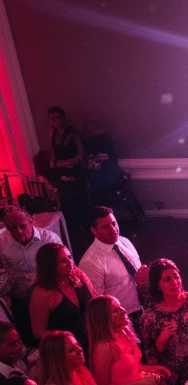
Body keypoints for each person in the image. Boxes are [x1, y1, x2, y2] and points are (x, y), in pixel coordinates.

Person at [77, 207, 147, 332]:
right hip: (123, 317)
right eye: (105, 227)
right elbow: (98, 304)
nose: (113, 229)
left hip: (143, 306)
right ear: (94, 230)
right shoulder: (90, 262)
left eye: (114, 223)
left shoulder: (124, 242)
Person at [0, 206, 63, 339]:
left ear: (31, 221)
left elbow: (65, 268)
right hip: (22, 297)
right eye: (12, 228)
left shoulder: (49, 240)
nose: (19, 231)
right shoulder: (2, 243)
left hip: (50, 293)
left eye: (22, 226)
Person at [29, 243, 96, 355]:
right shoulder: (42, 293)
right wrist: (66, 339)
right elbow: (38, 332)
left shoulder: (79, 276)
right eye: (63, 261)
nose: (70, 263)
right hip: (69, 352)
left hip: (95, 341)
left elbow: (97, 303)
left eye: (70, 257)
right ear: (50, 266)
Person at [45, 106, 89, 240]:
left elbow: (81, 155)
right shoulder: (51, 133)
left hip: (74, 169)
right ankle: (70, 228)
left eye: (57, 118)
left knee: (78, 199)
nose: (55, 121)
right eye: (52, 119)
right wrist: (53, 164)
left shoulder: (73, 133)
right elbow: (52, 151)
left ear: (63, 118)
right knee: (64, 199)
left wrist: (64, 164)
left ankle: (83, 226)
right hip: (59, 169)